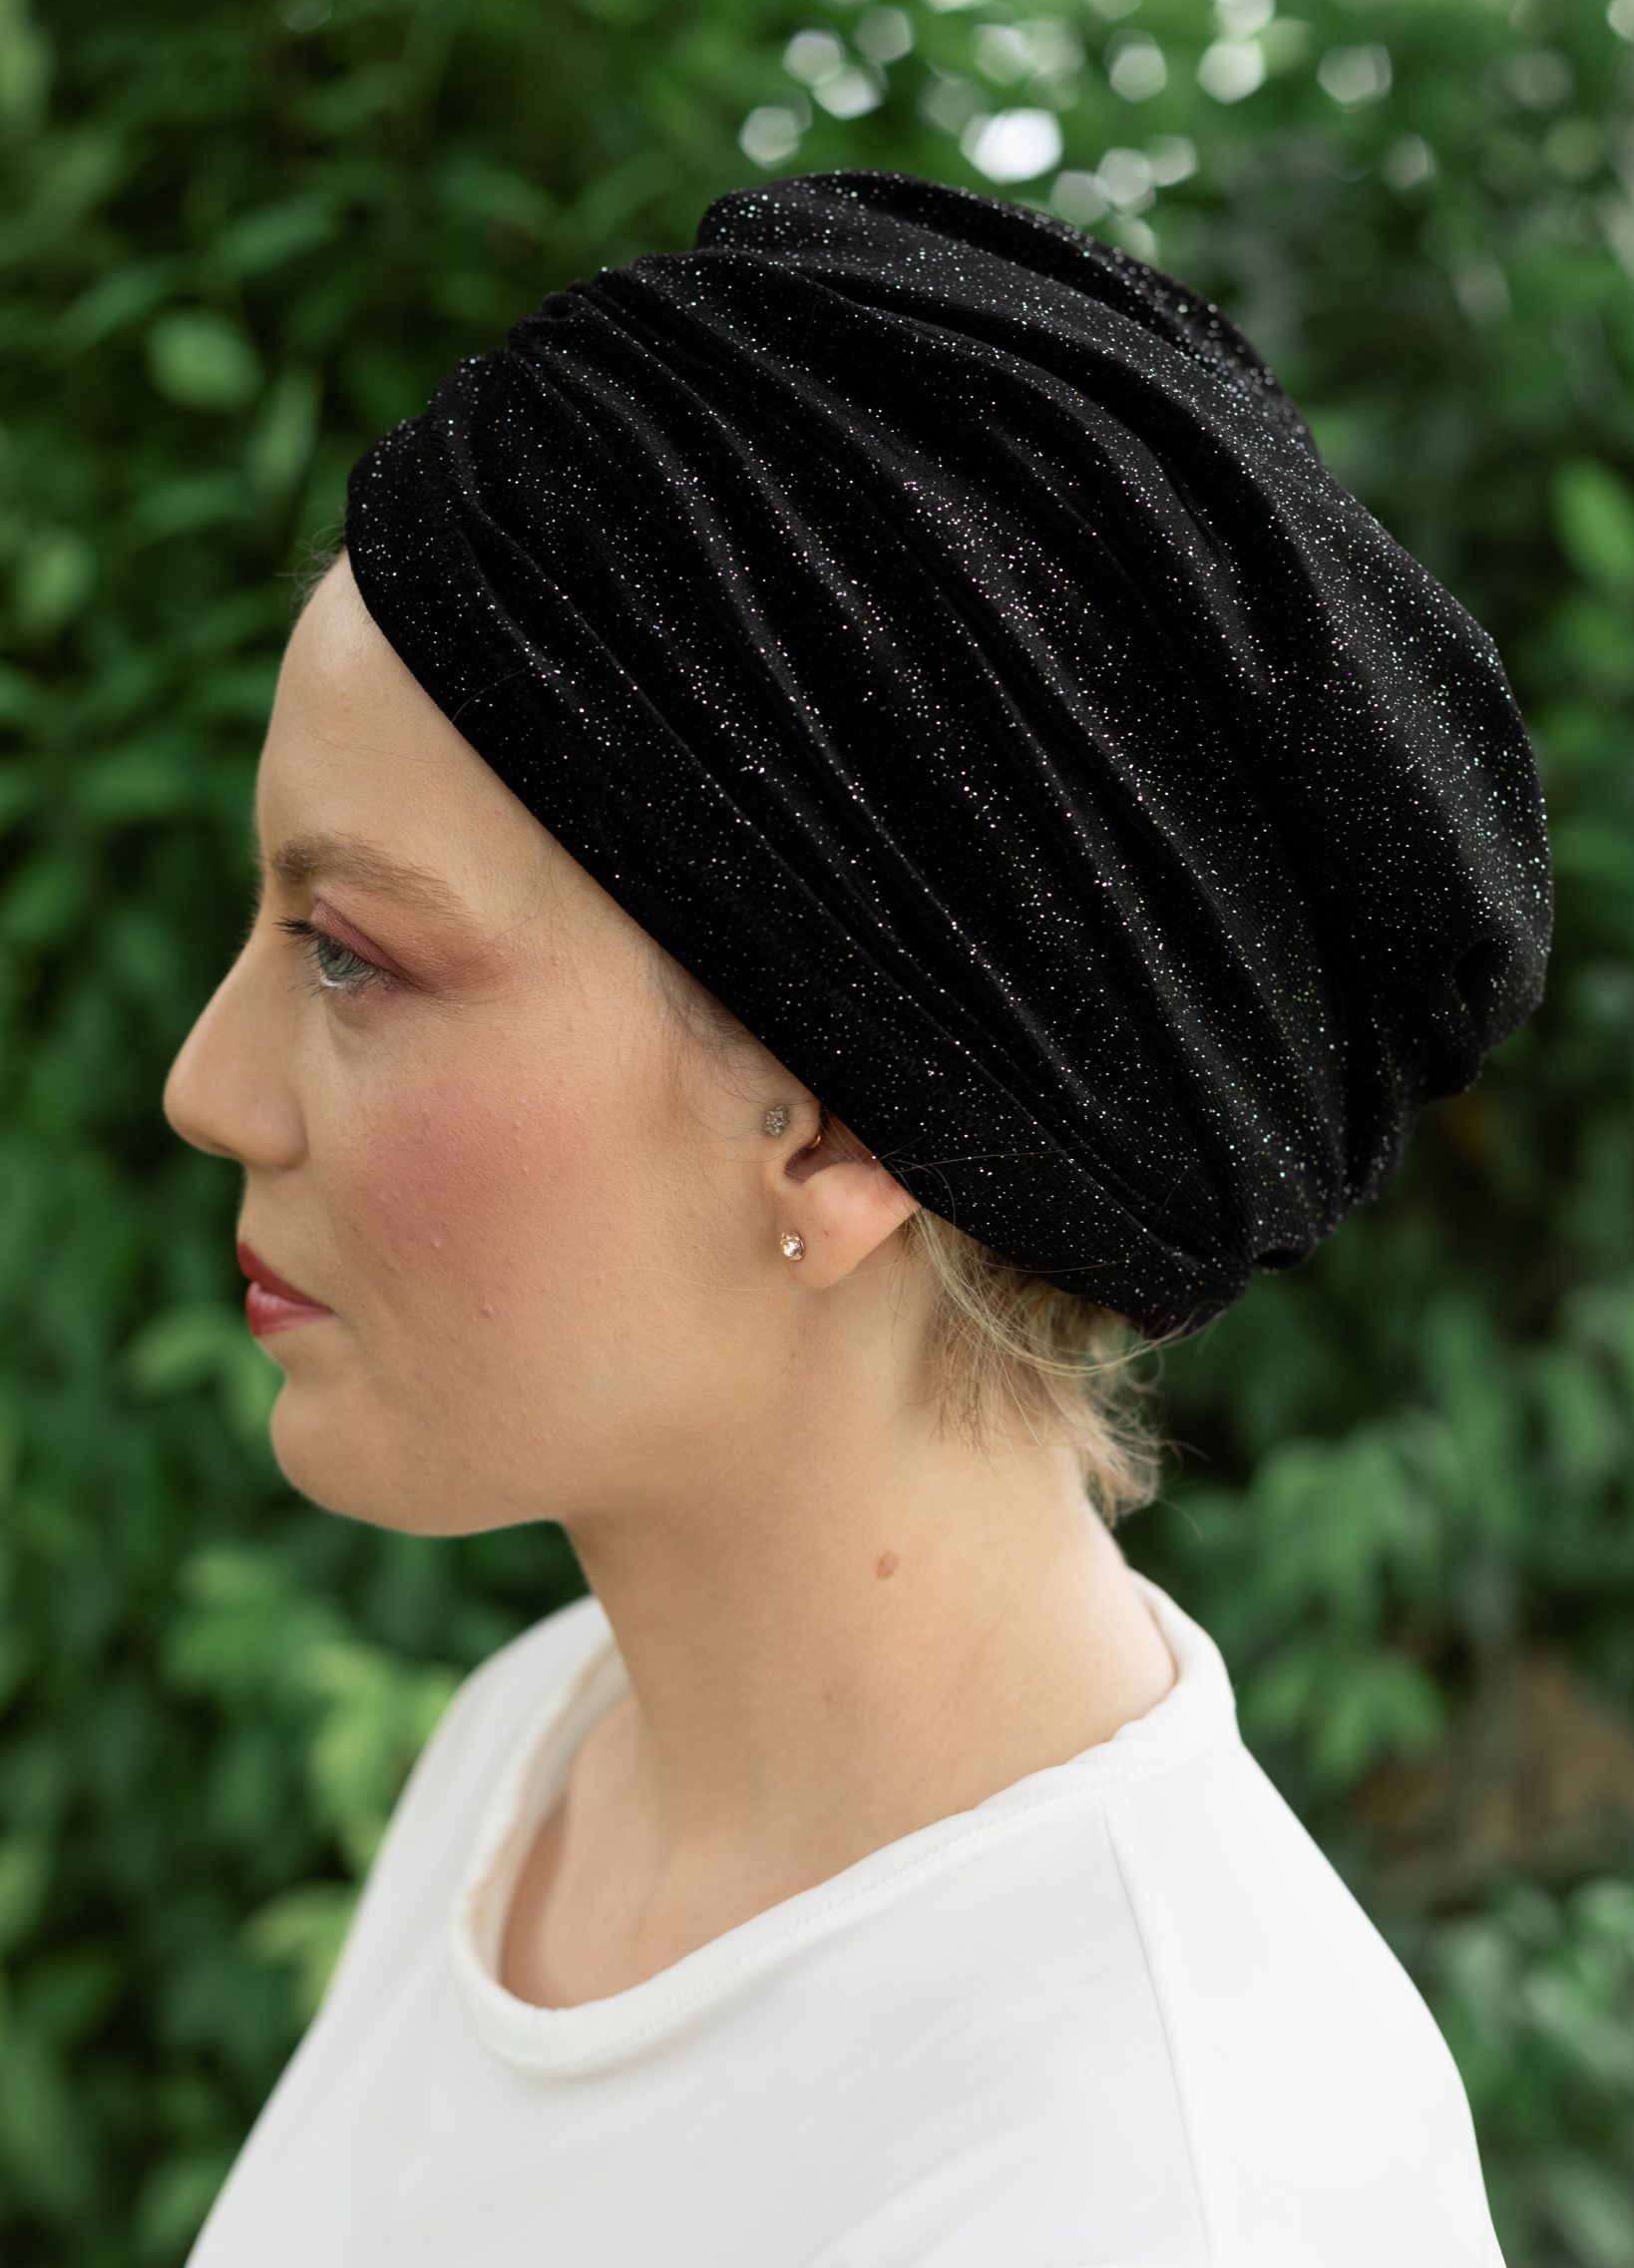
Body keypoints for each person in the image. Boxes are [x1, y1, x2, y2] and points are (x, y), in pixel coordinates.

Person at [163, 169, 1548, 2267]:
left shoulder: (1166, 2188)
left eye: (353, 955)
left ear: (836, 1129)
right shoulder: (541, 1750)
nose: (208, 1084)